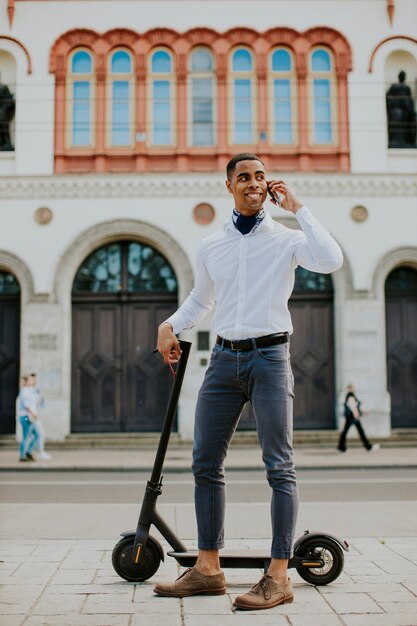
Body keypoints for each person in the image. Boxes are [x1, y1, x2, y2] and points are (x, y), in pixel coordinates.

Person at [153, 153, 343, 610]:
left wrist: (298, 206)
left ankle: (278, 577)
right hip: (223, 360)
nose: (254, 183)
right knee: (205, 463)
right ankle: (207, 569)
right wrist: (169, 325)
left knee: (279, 466)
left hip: (270, 357)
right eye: (245, 177)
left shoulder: (287, 240)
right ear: (229, 187)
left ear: (267, 186)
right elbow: (202, 299)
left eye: (260, 176)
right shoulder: (211, 245)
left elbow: (331, 260)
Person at [337, 384, 380, 453]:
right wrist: (356, 414)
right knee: (360, 432)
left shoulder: (350, 396)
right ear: (349, 388)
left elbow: (357, 406)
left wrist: (365, 411)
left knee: (346, 432)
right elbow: (353, 406)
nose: (353, 389)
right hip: (353, 417)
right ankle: (368, 447)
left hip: (351, 417)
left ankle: (341, 446)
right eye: (352, 388)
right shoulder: (350, 396)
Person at [386, 70, 416, 148]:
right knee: (397, 127)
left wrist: (410, 110)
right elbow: (388, 97)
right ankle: (396, 141)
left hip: (405, 112)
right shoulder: (394, 86)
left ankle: (406, 141)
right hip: (397, 111)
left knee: (406, 126)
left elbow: (409, 100)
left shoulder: (406, 87)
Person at [18, 374, 40, 462]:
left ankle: (28, 452)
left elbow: (35, 402)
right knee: (26, 436)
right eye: (30, 380)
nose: (33, 381)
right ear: (26, 381)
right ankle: (22, 455)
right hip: (26, 417)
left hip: (30, 416)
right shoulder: (24, 391)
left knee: (37, 435)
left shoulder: (31, 390)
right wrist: (32, 413)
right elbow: (26, 405)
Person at [31, 373, 52, 460]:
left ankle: (30, 452)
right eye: (33, 379)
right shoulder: (28, 390)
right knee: (39, 434)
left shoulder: (35, 390)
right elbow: (28, 404)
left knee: (37, 435)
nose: (35, 381)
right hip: (30, 416)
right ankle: (36, 452)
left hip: (33, 415)